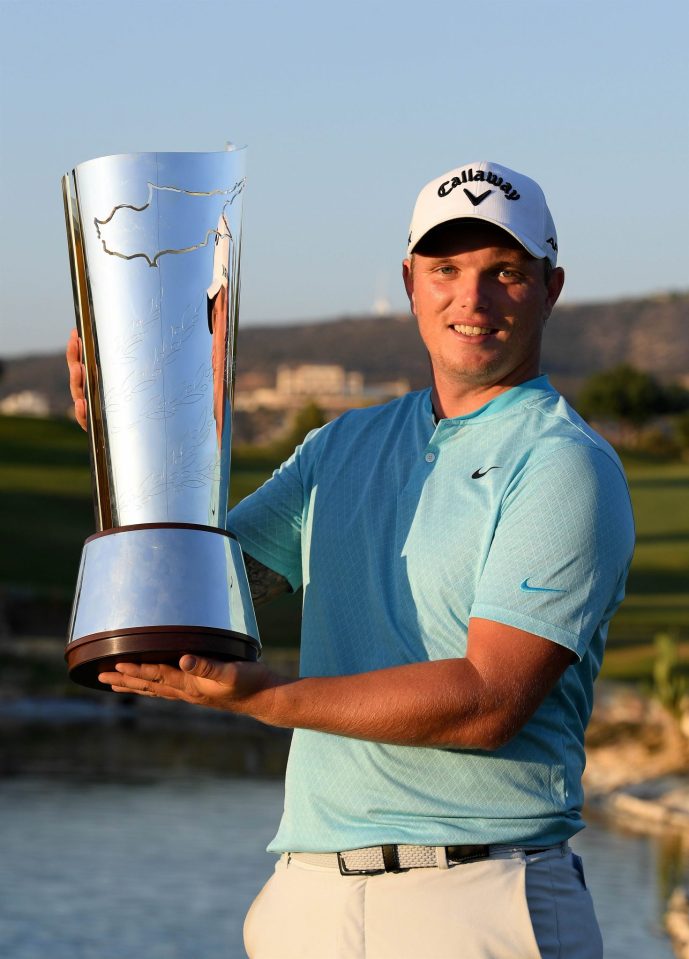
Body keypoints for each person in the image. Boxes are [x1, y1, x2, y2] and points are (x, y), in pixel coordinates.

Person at [66, 160, 635, 959]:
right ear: (409, 283)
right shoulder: (340, 446)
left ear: (550, 287)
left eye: (503, 272)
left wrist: (266, 698)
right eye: (444, 270)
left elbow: (485, 699)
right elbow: (197, 599)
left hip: (477, 900)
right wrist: (136, 437)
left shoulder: (562, 464)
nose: (470, 300)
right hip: (308, 900)